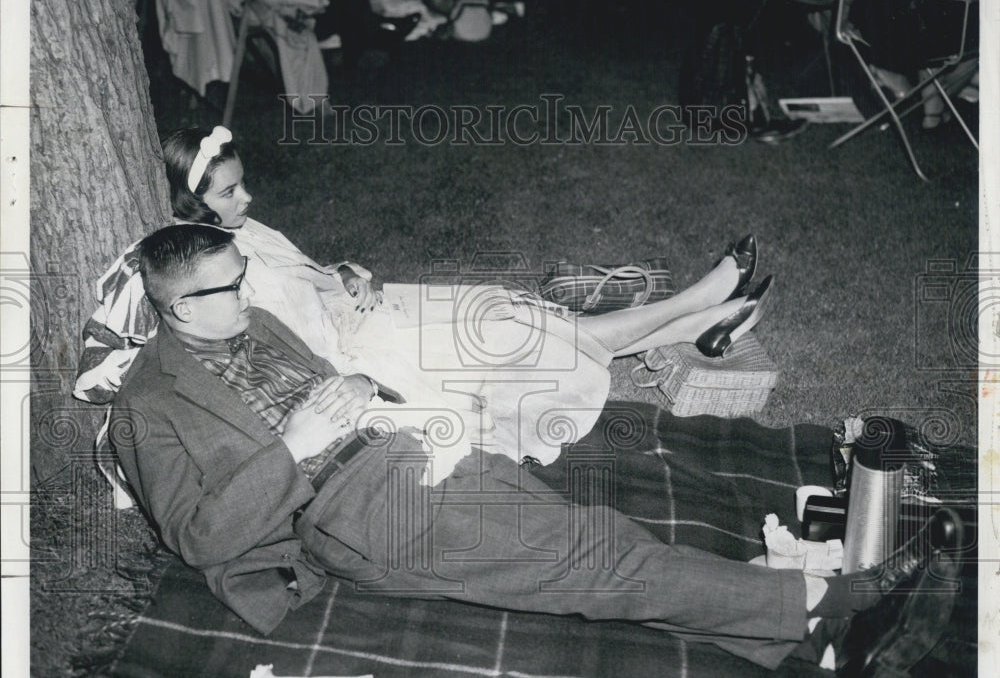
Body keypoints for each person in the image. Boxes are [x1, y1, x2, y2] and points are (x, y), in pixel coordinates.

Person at [110, 223, 963, 678]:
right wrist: (293, 447)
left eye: (244, 273)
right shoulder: (149, 404)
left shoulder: (251, 325)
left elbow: (328, 380)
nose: (250, 292)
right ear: (177, 305)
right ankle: (833, 598)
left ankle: (802, 638)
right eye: (230, 286)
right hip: (352, 513)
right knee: (596, 561)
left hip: (411, 444)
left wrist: (371, 391)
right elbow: (199, 533)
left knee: (596, 540)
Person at [76, 126, 772, 469]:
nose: (247, 198)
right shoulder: (206, 271)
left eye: (241, 184)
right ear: (188, 204)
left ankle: (702, 314)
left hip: (367, 314)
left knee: (513, 311)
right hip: (360, 352)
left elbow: (306, 274)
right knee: (517, 337)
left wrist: (346, 276)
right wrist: (347, 312)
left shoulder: (241, 230)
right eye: (229, 191)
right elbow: (286, 349)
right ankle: (705, 305)